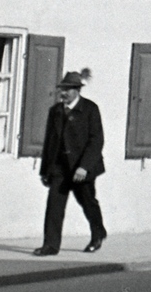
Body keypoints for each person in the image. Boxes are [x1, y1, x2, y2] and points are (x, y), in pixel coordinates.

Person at [34, 70, 106, 255]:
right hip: (60, 168)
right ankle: (50, 245)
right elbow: (50, 143)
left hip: (82, 168)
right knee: (54, 207)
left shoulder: (90, 109)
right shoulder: (55, 111)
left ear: (77, 91)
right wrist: (45, 171)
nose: (63, 93)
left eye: (67, 90)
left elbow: (96, 141)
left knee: (88, 203)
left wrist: (84, 167)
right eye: (62, 90)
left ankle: (98, 234)